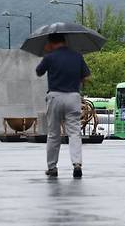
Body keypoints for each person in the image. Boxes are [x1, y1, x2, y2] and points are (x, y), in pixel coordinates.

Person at [36, 33, 91, 179]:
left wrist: (47, 53)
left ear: (51, 42)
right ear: (65, 41)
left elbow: (38, 71)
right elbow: (86, 77)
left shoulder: (50, 56)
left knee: (54, 134)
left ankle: (52, 167)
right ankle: (77, 163)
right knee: (74, 133)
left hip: (55, 96)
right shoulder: (77, 56)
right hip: (73, 96)